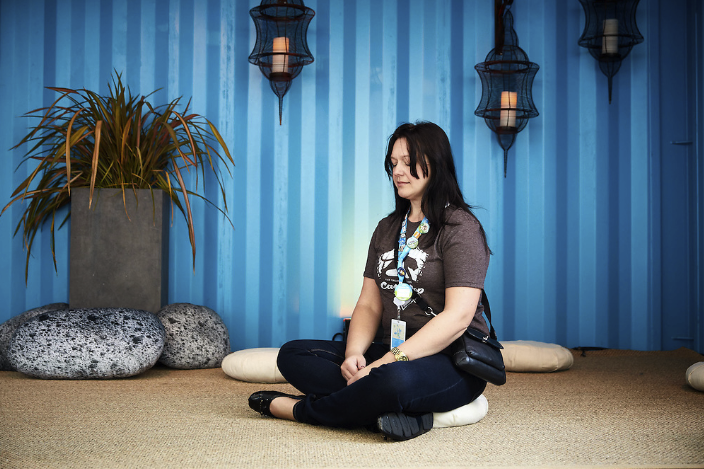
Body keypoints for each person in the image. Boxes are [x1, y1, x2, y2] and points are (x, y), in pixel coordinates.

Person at [248, 121, 492, 441]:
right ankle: (404, 412)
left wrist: (386, 364)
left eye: (408, 162)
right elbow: (368, 303)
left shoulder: (460, 227)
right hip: (389, 350)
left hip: (450, 360)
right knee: (292, 355)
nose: (398, 172)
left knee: (392, 382)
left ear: (436, 163)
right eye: (393, 164)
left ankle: (301, 410)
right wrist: (354, 355)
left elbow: (458, 317)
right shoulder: (388, 228)